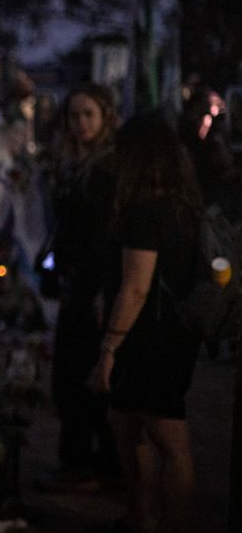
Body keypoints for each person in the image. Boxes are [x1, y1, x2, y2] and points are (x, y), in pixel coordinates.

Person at [88, 112, 203, 533]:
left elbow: (135, 286)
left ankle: (169, 521)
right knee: (134, 427)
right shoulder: (182, 207)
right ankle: (143, 516)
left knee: (167, 436)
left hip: (150, 338)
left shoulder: (145, 213)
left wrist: (109, 349)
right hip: (172, 332)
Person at [39, 85, 121, 492]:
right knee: (70, 376)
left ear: (105, 116)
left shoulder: (107, 168)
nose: (81, 123)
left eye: (89, 114)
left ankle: (94, 465)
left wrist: (102, 289)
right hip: (74, 280)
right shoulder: (73, 162)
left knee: (82, 376)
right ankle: (85, 461)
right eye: (75, 116)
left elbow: (104, 235)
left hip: (95, 285)